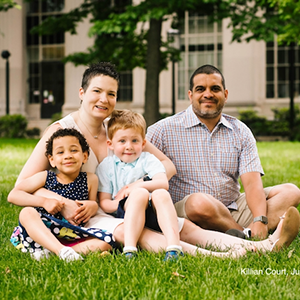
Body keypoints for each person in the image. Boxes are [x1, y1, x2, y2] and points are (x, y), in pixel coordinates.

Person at [13, 62, 299, 259]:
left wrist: (140, 185)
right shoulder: (61, 133)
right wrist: (61, 201)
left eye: (111, 93)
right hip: (96, 216)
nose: (104, 99)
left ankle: (257, 246)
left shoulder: (119, 129)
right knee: (142, 233)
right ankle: (223, 257)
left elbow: (167, 166)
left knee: (184, 227)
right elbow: (24, 186)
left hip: (133, 203)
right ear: (82, 93)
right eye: (97, 92)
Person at [146, 64, 300, 240]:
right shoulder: (162, 131)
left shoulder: (240, 131)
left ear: (225, 95)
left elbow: (251, 184)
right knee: (199, 202)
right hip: (189, 212)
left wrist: (259, 218)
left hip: (233, 207)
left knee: (291, 192)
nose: (208, 94)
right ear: (190, 95)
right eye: (200, 89)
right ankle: (245, 236)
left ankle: (243, 230)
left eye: (215, 89)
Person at [8, 128, 115, 262]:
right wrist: (43, 202)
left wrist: (92, 206)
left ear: (85, 156)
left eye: (74, 150)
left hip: (71, 233)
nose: (68, 155)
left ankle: (52, 252)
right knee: (26, 213)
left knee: (105, 243)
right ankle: (61, 251)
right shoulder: (46, 177)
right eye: (60, 152)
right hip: (41, 229)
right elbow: (13, 195)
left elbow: (91, 205)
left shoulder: (90, 179)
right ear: (52, 160)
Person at [97, 109, 183, 260]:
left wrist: (135, 186)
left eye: (134, 141)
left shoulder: (147, 159)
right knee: (140, 194)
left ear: (143, 143)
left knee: (160, 193)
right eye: (122, 141)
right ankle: (130, 249)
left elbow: (163, 182)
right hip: (127, 213)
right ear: (110, 144)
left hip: (152, 211)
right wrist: (119, 201)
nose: (129, 146)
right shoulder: (107, 166)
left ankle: (173, 248)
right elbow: (104, 202)